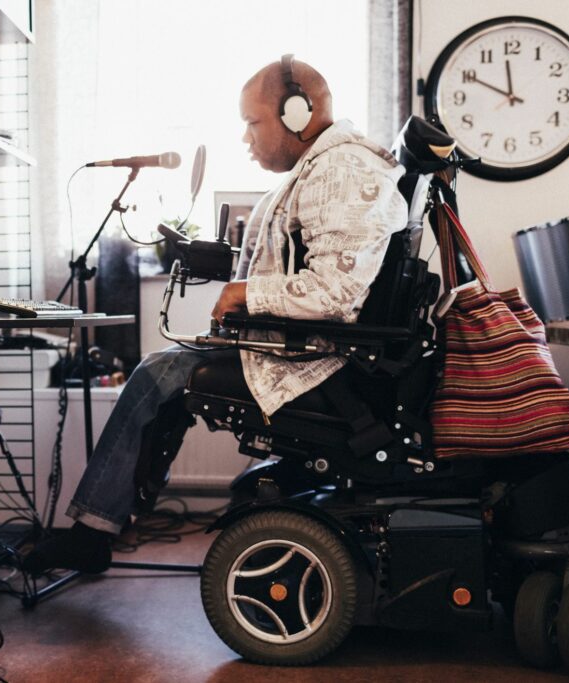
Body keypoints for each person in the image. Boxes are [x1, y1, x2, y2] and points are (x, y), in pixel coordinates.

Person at [23, 56, 408, 574]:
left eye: (253, 122)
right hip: (308, 350)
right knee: (164, 375)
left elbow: (337, 292)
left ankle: (94, 530)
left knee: (159, 373)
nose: (246, 138)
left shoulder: (342, 170)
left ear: (297, 113)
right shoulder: (323, 168)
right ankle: (102, 524)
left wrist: (245, 294)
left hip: (320, 364)